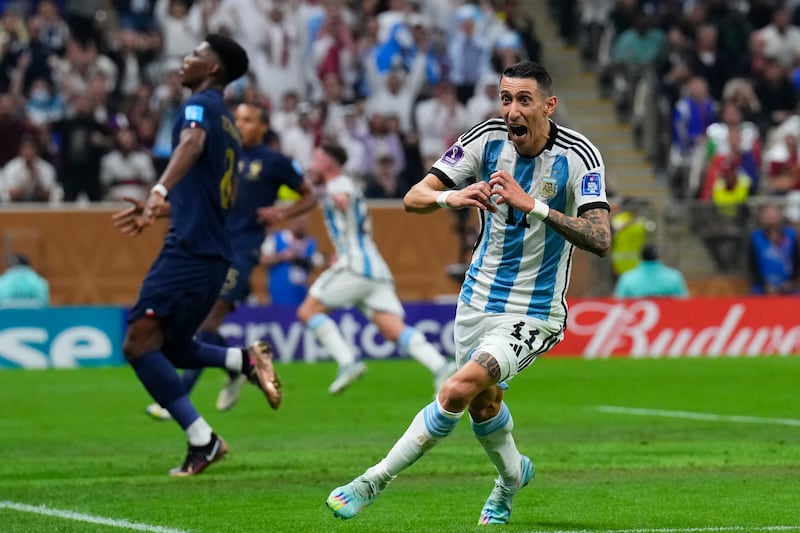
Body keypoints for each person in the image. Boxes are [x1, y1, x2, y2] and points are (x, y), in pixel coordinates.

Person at [325, 61, 611, 525]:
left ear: (548, 105)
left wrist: (532, 205)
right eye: (504, 98)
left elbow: (600, 238)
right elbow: (413, 197)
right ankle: (512, 478)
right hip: (476, 301)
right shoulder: (485, 139)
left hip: (534, 310)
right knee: (484, 402)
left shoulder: (580, 156)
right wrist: (447, 198)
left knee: (456, 389)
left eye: (523, 100)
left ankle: (371, 481)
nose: (511, 110)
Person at [110, 34, 281, 477]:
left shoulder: (199, 108)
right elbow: (210, 197)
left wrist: (158, 189)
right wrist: (162, 208)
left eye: (195, 55)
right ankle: (241, 360)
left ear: (213, 70)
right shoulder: (228, 124)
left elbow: (189, 144)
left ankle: (202, 439)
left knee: (137, 343)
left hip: (189, 249)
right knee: (171, 346)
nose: (185, 60)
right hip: (211, 251)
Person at [140, 101, 317, 421]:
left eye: (248, 119)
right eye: (236, 118)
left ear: (263, 126)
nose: (240, 123)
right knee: (201, 323)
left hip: (243, 250)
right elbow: (194, 201)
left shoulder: (275, 161)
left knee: (206, 322)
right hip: (210, 248)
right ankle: (240, 365)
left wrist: (282, 212)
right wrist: (155, 209)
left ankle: (177, 397)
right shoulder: (221, 157)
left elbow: (310, 195)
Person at [296, 142, 457, 395]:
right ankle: (440, 367)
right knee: (392, 328)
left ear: (328, 160)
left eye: (316, 157)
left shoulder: (338, 185)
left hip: (356, 267)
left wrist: (336, 199)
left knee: (308, 311)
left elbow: (343, 198)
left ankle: (347, 362)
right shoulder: (341, 184)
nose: (312, 163)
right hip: (374, 268)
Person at [260, 212, 324, 306]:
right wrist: (282, 256)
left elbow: (317, 264)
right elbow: (263, 260)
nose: (300, 225)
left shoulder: (310, 243)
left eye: (303, 222)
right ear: (291, 221)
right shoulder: (277, 239)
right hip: (278, 294)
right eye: (298, 221)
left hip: (301, 296)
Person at [748, 203, 799, 295]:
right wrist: (764, 285)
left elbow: (796, 261)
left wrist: (791, 281)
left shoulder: (791, 235)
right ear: (761, 219)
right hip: (763, 287)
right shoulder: (755, 237)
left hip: (788, 285)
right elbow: (752, 265)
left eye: (773, 215)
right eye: (767, 216)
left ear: (779, 216)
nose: (770, 218)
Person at [613, 244, 689, 298]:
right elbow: (684, 302)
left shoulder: (627, 278)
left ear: (641, 257)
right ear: (659, 257)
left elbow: (618, 302)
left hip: (641, 319)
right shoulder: (674, 277)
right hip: (669, 318)